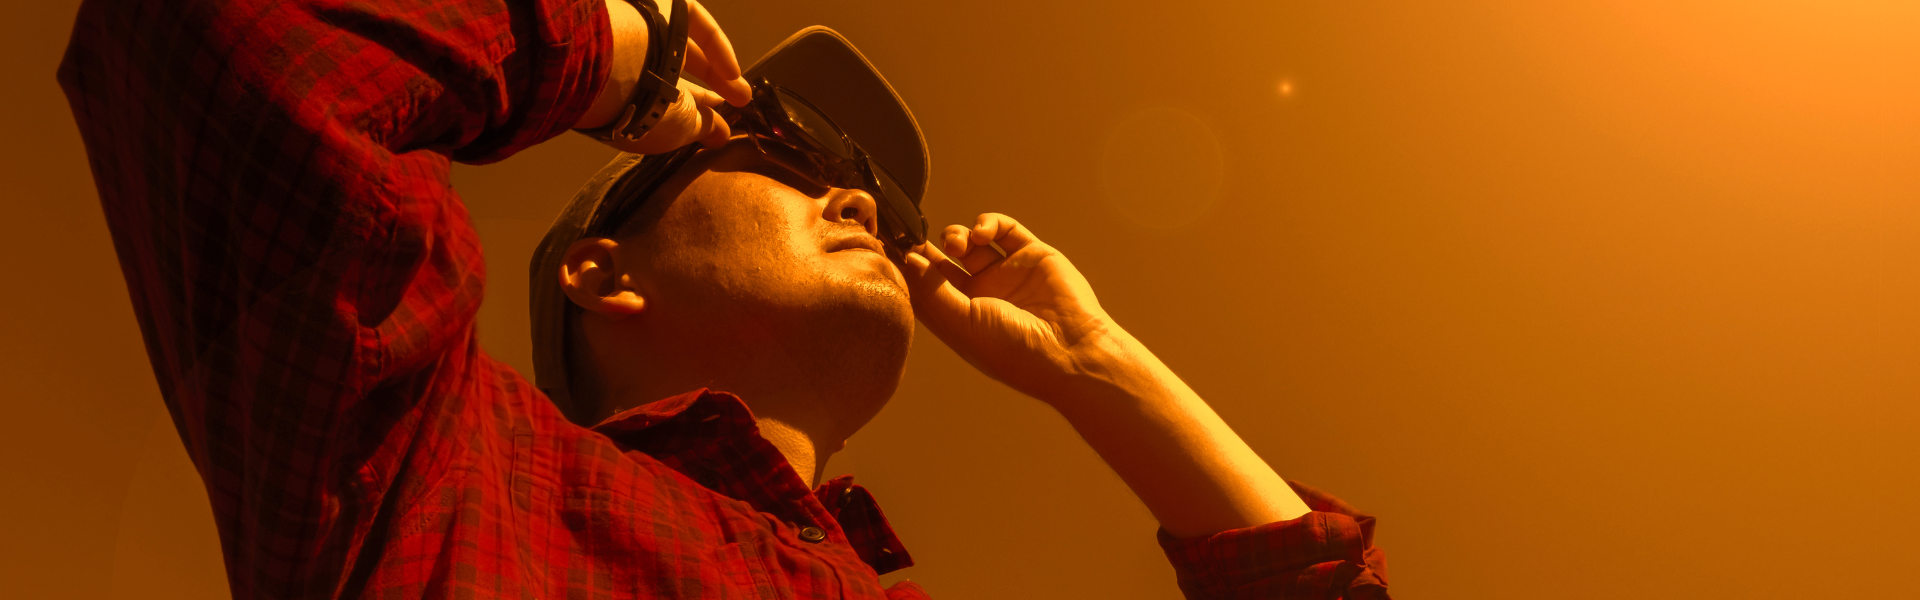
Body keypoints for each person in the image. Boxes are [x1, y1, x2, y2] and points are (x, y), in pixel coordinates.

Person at [58, 0, 1390, 597]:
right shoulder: (433, 459)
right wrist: (607, 58)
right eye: (778, 159)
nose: (853, 197)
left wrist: (1096, 363)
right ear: (599, 272)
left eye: (855, 188)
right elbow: (227, 40)